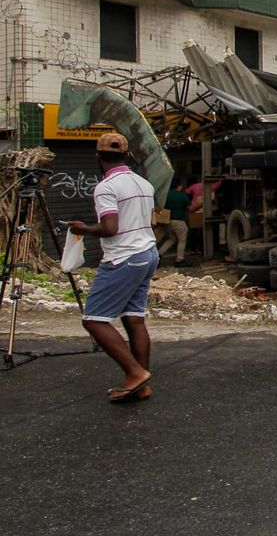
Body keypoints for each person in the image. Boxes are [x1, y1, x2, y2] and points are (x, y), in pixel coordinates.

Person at [68, 133, 158, 403]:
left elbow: (110, 228)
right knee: (134, 318)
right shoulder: (144, 183)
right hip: (147, 253)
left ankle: (134, 373)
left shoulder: (106, 187)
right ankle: (141, 383)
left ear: (98, 156)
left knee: (93, 319)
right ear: (126, 155)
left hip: (123, 259)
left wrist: (82, 228)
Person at [157, 178, 191, 266]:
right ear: (179, 186)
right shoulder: (182, 195)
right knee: (182, 240)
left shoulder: (166, 195)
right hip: (179, 220)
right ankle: (180, 259)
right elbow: (190, 208)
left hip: (167, 221)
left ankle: (159, 254)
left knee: (172, 238)